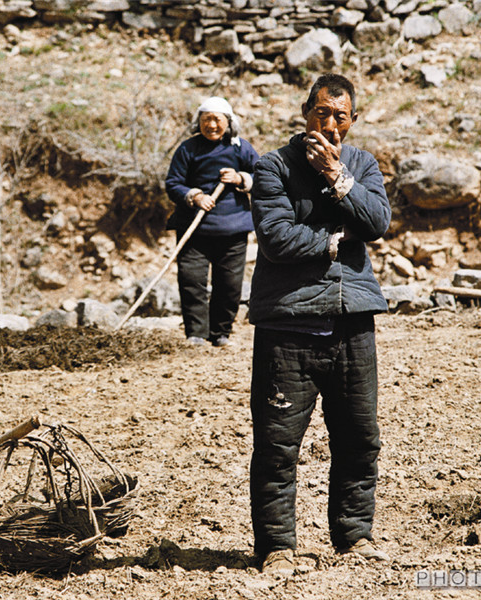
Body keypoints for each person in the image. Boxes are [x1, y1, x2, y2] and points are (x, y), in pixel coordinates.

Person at [247, 73, 391, 576]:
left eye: (341, 117)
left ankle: (355, 537)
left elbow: (377, 223)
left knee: (358, 438)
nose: (330, 125)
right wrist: (335, 239)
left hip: (352, 323)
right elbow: (277, 240)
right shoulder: (272, 168)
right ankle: (277, 547)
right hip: (288, 326)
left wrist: (336, 176)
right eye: (322, 113)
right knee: (278, 443)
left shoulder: (360, 165)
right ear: (305, 111)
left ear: (351, 122)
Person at [165, 97, 260, 347]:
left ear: (228, 122)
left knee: (228, 285)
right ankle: (195, 334)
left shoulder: (241, 148)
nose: (212, 125)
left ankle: (221, 333)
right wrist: (195, 196)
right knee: (191, 281)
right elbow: (173, 182)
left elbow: (263, 176)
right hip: (194, 228)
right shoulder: (188, 149)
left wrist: (240, 178)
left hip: (233, 229)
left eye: (217, 119)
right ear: (199, 122)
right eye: (206, 119)